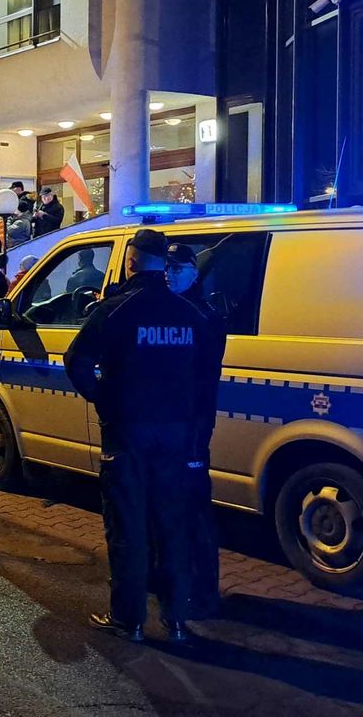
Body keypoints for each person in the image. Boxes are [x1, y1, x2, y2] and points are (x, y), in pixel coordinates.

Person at [63, 228, 210, 643]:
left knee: (128, 526)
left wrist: (103, 399)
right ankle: (176, 618)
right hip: (175, 436)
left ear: (130, 260)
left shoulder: (114, 310)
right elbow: (203, 376)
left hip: (127, 434)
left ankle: (129, 619)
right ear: (164, 262)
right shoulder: (190, 314)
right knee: (172, 525)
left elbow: (76, 362)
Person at [165, 242, 227, 619]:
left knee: (194, 510)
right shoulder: (184, 310)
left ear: (194, 271)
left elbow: (197, 378)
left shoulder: (200, 315)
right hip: (177, 425)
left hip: (191, 426)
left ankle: (202, 593)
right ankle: (180, 583)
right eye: (167, 268)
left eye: (178, 268)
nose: (170, 274)